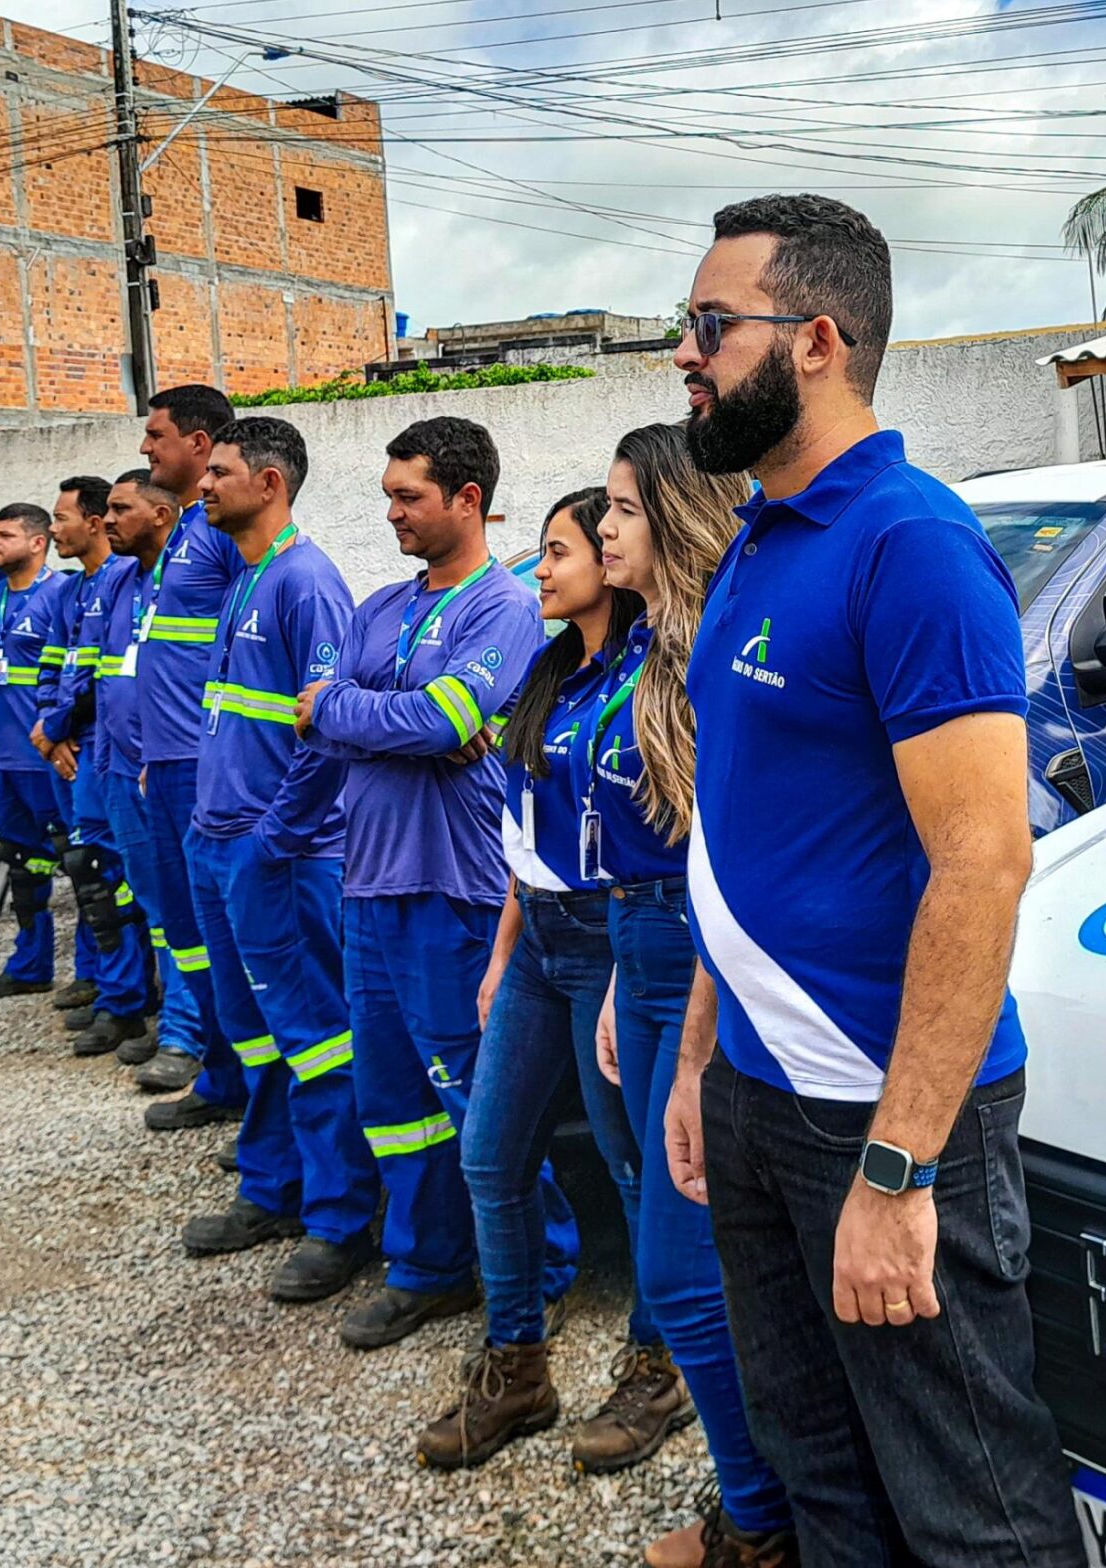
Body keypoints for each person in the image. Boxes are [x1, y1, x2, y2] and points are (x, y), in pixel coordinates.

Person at [662, 196, 1074, 1566]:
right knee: (822, 1471)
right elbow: (743, 831)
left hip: (884, 1113)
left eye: (712, 326)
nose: (685, 353)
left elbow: (983, 860)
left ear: (818, 341)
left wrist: (901, 1169)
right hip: (761, 1096)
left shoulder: (911, 545)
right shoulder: (759, 541)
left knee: (974, 1510)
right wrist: (697, 1061)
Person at [293, 416, 579, 1351]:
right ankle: (428, 1267)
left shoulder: (503, 607)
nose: (392, 513)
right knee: (394, 1101)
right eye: (386, 494)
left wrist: (349, 709)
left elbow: (447, 719)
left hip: (453, 886)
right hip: (368, 881)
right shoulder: (379, 606)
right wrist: (374, 715)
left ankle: (542, 1264)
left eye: (407, 496)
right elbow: (341, 717)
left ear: (466, 499)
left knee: (473, 1097)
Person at [420, 487, 670, 1471]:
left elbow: (662, 840)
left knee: (634, 1169)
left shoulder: (655, 675)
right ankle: (517, 1368)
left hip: (618, 944)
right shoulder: (551, 675)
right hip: (537, 943)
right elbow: (527, 839)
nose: (543, 569)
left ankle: (660, 1366)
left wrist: (623, 973)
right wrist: (500, 958)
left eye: (558, 551)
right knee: (490, 1157)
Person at [585, 423, 794, 1568]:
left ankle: (760, 1526)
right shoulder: (639, 647)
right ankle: (758, 1504)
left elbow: (729, 853)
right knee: (688, 1258)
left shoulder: (711, 647)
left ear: (673, 513)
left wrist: (694, 1031)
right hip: (650, 951)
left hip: (709, 967)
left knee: (678, 1275)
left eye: (620, 506)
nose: (604, 526)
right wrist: (627, 973)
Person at [176, 415, 383, 1296]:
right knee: (255, 1033)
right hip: (220, 844)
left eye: (218, 472)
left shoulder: (306, 582)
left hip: (282, 856)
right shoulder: (247, 577)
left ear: (270, 483)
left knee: (316, 1039)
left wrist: (273, 838)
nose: (200, 486)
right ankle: (275, 1184)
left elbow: (327, 734)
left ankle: (341, 1219)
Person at [131, 384, 249, 1117]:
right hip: (169, 761)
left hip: (206, 768)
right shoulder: (184, 536)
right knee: (187, 931)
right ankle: (220, 1072)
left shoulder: (224, 539)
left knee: (224, 939)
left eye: (157, 435)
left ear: (200, 444)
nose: (146, 449)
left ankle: (241, 1086)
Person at [32, 474, 141, 1043]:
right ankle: (110, 988)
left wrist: (56, 727)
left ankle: (128, 997)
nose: (53, 530)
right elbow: (54, 667)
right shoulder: (70, 591)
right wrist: (50, 728)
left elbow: (110, 672)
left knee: (118, 876)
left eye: (61, 518)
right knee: (88, 868)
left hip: (108, 745)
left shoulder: (125, 580)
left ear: (94, 522)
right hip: (75, 748)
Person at [83, 470, 181, 1071]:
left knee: (179, 911)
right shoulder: (118, 581)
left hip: (165, 768)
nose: (108, 520)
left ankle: (185, 1034)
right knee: (142, 900)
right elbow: (101, 671)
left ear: (162, 515)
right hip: (117, 767)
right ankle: (163, 1014)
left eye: (121, 509)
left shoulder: (189, 578)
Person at [0, 502, 69, 1002]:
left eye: (5, 534)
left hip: (48, 760)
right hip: (2, 760)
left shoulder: (60, 596)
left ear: (37, 542)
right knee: (23, 866)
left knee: (82, 865)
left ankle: (96, 980)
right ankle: (31, 965)